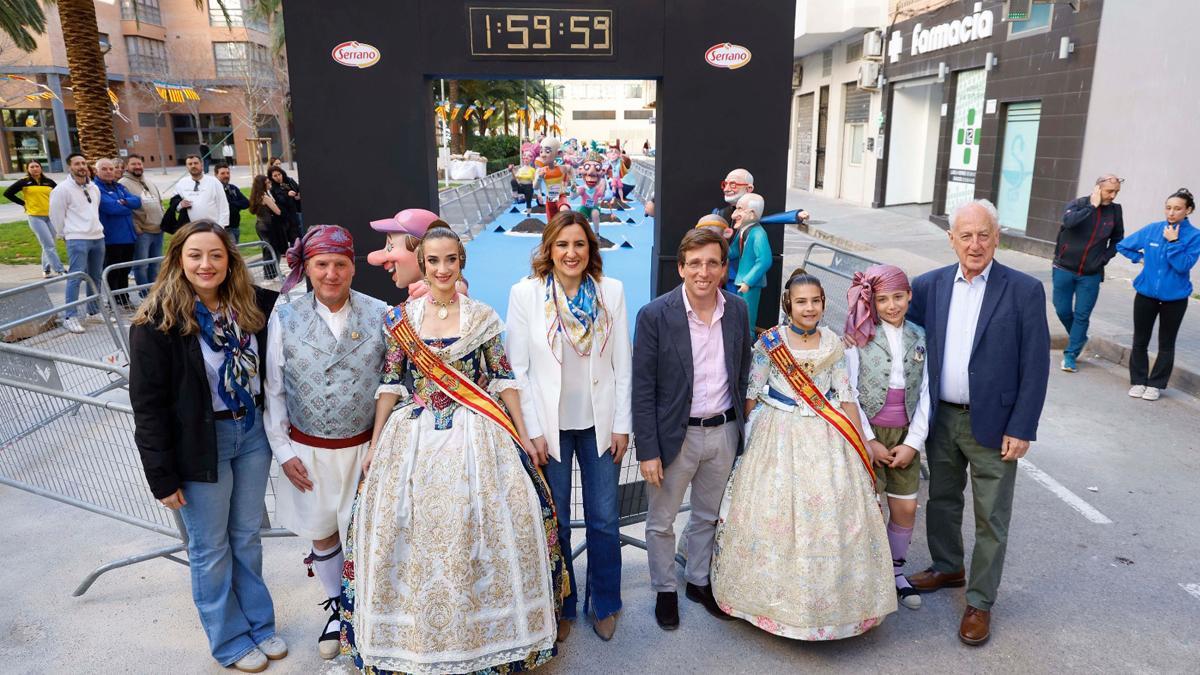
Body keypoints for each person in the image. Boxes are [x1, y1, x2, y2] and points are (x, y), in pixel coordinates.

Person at [341, 225, 566, 674]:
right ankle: (418, 638)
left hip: (478, 434)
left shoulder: (482, 316)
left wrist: (521, 434)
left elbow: (502, 378)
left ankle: (488, 638)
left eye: (451, 260)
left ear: (462, 262)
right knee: (414, 531)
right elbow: (390, 383)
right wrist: (375, 441)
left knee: (484, 526)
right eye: (433, 262)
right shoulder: (402, 319)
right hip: (416, 434)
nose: (443, 269)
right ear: (422, 265)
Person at [128, 220, 286, 673]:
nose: (205, 264)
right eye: (195, 255)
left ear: (230, 259)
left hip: (251, 434)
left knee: (246, 538)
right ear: (178, 259)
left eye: (215, 254)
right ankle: (230, 638)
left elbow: (305, 300)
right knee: (210, 546)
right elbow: (149, 407)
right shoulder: (157, 322)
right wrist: (162, 476)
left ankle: (259, 623)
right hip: (201, 444)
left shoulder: (252, 305)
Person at [711, 269, 895, 639]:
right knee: (773, 513)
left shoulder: (834, 345)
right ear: (788, 305)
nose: (809, 308)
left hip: (828, 436)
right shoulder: (770, 344)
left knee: (832, 515)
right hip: (776, 434)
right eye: (801, 301)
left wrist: (860, 444)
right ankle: (764, 602)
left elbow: (845, 397)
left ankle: (835, 608)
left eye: (815, 301)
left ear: (823, 304)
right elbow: (752, 391)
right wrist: (741, 444)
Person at [906, 199, 1050, 646]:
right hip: (942, 418)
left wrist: (1022, 427)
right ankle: (948, 566)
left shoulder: (1023, 290)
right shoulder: (927, 287)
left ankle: (980, 601)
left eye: (983, 235)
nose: (974, 244)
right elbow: (900, 343)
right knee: (943, 500)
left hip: (996, 422)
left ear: (997, 238)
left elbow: (1036, 364)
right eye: (965, 235)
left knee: (992, 517)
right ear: (951, 239)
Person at [505, 210, 632, 642]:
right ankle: (561, 603)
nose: (571, 253)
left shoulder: (610, 292)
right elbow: (517, 369)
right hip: (550, 428)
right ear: (549, 250)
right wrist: (532, 430)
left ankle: (604, 603)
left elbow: (623, 365)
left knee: (604, 520)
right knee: (554, 521)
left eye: (579, 244)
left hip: (599, 423)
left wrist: (621, 423)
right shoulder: (525, 295)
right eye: (562, 244)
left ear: (590, 249)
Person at [262, 225, 388, 660]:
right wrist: (283, 451)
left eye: (340, 264)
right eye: (321, 264)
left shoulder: (381, 313)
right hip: (309, 451)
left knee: (366, 530)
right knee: (322, 530)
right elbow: (274, 389)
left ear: (353, 266)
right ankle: (337, 605)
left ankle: (367, 610)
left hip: (366, 449)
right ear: (307, 268)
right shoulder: (284, 317)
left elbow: (395, 383)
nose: (331, 274)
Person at [632, 228, 752, 631]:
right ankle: (666, 588)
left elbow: (742, 369)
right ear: (681, 267)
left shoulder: (737, 310)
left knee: (708, 515)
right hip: (673, 438)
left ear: (723, 268)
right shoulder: (654, 315)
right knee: (661, 520)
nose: (704, 272)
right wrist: (647, 450)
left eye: (712, 263)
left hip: (723, 432)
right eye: (695, 263)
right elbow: (643, 388)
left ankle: (698, 581)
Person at [843, 264, 931, 611]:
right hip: (869, 433)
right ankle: (863, 573)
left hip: (905, 433)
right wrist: (867, 439)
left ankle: (895, 572)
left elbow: (926, 392)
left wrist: (913, 443)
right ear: (872, 301)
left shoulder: (922, 336)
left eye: (898, 297)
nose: (892, 305)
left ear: (909, 296)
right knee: (866, 507)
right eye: (883, 299)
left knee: (905, 506)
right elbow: (848, 389)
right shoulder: (859, 337)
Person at [1116, 187, 1200, 401]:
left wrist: (1173, 242)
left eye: (1177, 209)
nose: (1171, 213)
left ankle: (1156, 384)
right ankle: (1138, 381)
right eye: (1168, 208)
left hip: (1175, 298)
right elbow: (1123, 246)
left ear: (1188, 210)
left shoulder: (1194, 236)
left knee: (1166, 343)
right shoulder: (1153, 229)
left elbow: (1183, 265)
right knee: (1140, 340)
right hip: (1146, 294)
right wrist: (1140, 259)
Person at [1054, 175, 1125, 372]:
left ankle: (1070, 355)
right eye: (1109, 191)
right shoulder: (1078, 204)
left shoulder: (1115, 211)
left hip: (1091, 273)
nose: (1113, 195)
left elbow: (1118, 239)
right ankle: (1080, 339)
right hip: (1064, 268)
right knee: (1062, 310)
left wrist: (1103, 258)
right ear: (1097, 189)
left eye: (1116, 192)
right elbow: (1068, 222)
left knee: (1082, 315)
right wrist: (1091, 208)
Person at [48, 153, 104, 333]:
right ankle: (69, 316)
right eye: (77, 164)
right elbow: (56, 215)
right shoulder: (62, 189)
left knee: (95, 277)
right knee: (76, 278)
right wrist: (63, 234)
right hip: (77, 238)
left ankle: (93, 312)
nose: (81, 166)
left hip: (97, 237)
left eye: (83, 163)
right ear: (69, 167)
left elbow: (95, 209)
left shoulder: (94, 188)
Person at [94, 157, 142, 309]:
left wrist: (124, 203)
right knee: (112, 272)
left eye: (111, 169)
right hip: (112, 238)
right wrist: (125, 204)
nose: (109, 172)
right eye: (104, 169)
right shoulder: (96, 188)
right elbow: (111, 207)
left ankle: (124, 298)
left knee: (124, 271)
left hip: (128, 237)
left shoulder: (119, 187)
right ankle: (113, 302)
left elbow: (137, 201)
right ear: (97, 171)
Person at [4, 160, 63, 278]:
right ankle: (59, 270)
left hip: (50, 217)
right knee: (49, 244)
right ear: (28, 169)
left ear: (41, 168)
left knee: (48, 244)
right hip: (36, 217)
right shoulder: (24, 182)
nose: (35, 169)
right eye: (32, 167)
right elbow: (8, 193)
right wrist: (23, 203)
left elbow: (58, 195)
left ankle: (46, 270)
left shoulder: (49, 182)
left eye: (37, 166)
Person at [120, 153, 166, 292]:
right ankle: (145, 295)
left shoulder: (149, 181)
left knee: (156, 264)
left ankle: (155, 293)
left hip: (158, 229)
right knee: (142, 266)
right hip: (142, 231)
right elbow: (125, 208)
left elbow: (159, 202)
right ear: (127, 166)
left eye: (139, 164)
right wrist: (135, 225)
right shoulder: (123, 184)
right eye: (133, 164)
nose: (137, 166)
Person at [728, 193, 771, 332]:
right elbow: (732, 252)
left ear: (752, 213)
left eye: (739, 209)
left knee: (747, 318)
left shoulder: (758, 234)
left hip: (750, 284)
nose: (733, 215)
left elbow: (765, 260)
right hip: (740, 281)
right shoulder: (742, 231)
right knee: (738, 315)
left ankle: (748, 345)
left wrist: (748, 281)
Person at [175, 154, 229, 229]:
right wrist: (180, 205)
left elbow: (223, 207)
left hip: (212, 228)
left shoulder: (214, 182)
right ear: (187, 167)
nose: (193, 166)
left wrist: (221, 227)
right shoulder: (181, 183)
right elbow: (174, 204)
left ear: (202, 164)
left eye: (196, 163)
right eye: (190, 164)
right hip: (190, 229)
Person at [249, 175, 285, 280]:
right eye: (268, 182)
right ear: (263, 185)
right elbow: (278, 211)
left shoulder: (256, 196)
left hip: (261, 225)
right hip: (267, 226)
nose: (270, 184)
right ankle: (271, 274)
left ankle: (272, 273)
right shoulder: (264, 197)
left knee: (268, 249)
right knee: (272, 249)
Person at [216, 163, 250, 243]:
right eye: (222, 173)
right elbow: (227, 207)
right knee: (233, 251)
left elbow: (246, 203)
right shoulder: (215, 189)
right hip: (224, 228)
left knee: (235, 250)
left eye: (228, 173)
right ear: (216, 175)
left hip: (235, 226)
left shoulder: (233, 188)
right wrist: (236, 204)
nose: (226, 175)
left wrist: (233, 204)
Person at [268, 166, 301, 244]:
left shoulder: (289, 180)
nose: (278, 177)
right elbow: (280, 200)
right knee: (294, 237)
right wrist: (287, 195)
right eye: (275, 176)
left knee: (301, 233)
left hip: (298, 209)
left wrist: (298, 195)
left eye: (279, 174)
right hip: (287, 215)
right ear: (271, 177)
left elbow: (298, 189)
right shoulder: (273, 188)